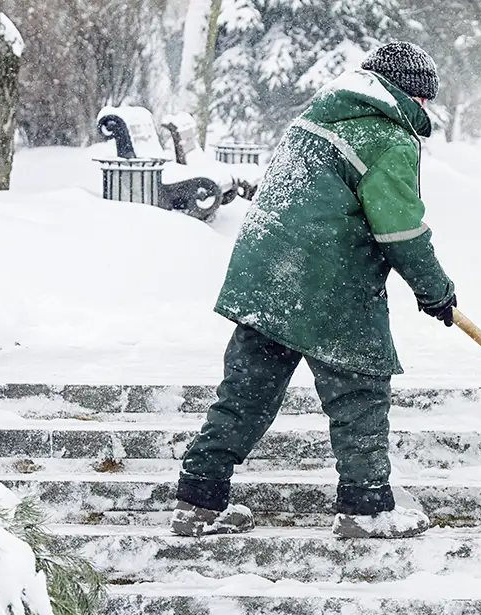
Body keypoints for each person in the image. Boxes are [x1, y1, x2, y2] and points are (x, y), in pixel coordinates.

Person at [170, 41, 457, 539]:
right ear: (415, 96)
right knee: (360, 392)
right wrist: (435, 291)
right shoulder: (388, 138)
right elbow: (401, 231)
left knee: (246, 393)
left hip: (266, 275)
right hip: (329, 283)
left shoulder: (315, 118)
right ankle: (365, 509)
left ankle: (199, 501)